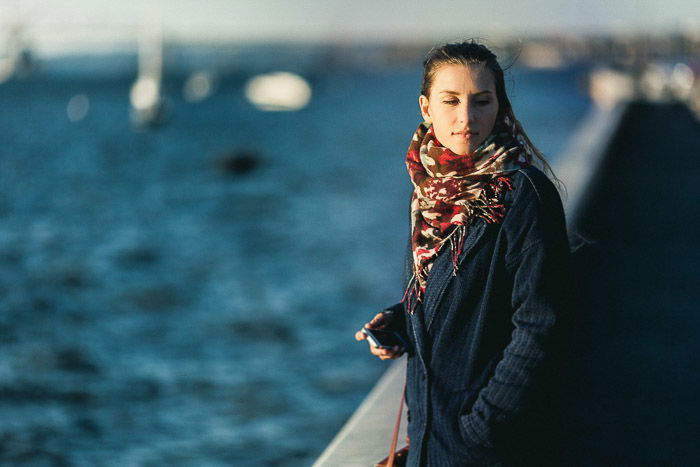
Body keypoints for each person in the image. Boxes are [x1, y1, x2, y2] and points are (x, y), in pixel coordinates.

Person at [355, 40, 571, 466]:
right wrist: (402, 321)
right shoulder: (431, 194)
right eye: (450, 100)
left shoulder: (522, 194)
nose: (466, 118)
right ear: (425, 107)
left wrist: (482, 427)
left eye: (481, 101)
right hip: (430, 438)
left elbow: (543, 322)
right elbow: (460, 296)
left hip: (488, 448)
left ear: (499, 106)